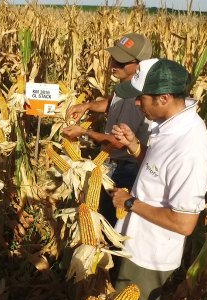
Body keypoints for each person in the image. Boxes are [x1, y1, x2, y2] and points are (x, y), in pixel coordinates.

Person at [110, 58, 207, 300]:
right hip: (134, 243)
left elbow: (184, 223)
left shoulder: (190, 149)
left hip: (149, 257)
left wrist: (130, 202)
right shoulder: (168, 126)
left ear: (164, 98)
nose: (135, 103)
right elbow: (158, 171)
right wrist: (135, 147)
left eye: (140, 98)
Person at [62, 33, 152, 226]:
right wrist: (87, 105)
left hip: (126, 170)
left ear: (139, 65)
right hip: (115, 164)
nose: (114, 64)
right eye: (114, 58)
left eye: (121, 62)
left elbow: (120, 143)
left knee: (109, 223)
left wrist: (85, 132)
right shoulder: (126, 87)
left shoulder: (136, 98)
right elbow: (113, 102)